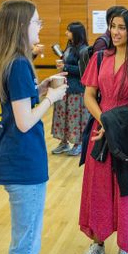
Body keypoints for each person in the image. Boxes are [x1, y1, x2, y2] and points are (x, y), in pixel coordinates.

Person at [0, 0, 67, 254]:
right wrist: (51, 98)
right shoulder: (18, 63)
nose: (39, 27)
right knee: (27, 243)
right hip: (23, 162)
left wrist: (38, 89)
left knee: (24, 237)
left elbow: (13, 102)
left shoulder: (3, 59)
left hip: (8, 157)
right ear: (21, 25)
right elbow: (24, 121)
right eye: (36, 21)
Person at [79, 9, 128, 254]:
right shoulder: (100, 57)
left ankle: (127, 245)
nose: (115, 32)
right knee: (99, 189)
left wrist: (115, 120)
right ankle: (98, 243)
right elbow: (89, 95)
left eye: (122, 27)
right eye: (113, 26)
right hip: (100, 131)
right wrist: (105, 119)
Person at [51, 22, 89, 156]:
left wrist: (65, 67)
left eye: (69, 31)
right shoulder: (69, 46)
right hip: (64, 87)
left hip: (76, 89)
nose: (66, 33)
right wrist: (62, 63)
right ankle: (64, 142)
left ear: (76, 33)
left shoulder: (84, 49)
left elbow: (83, 71)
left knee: (76, 118)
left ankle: (79, 143)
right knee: (62, 116)